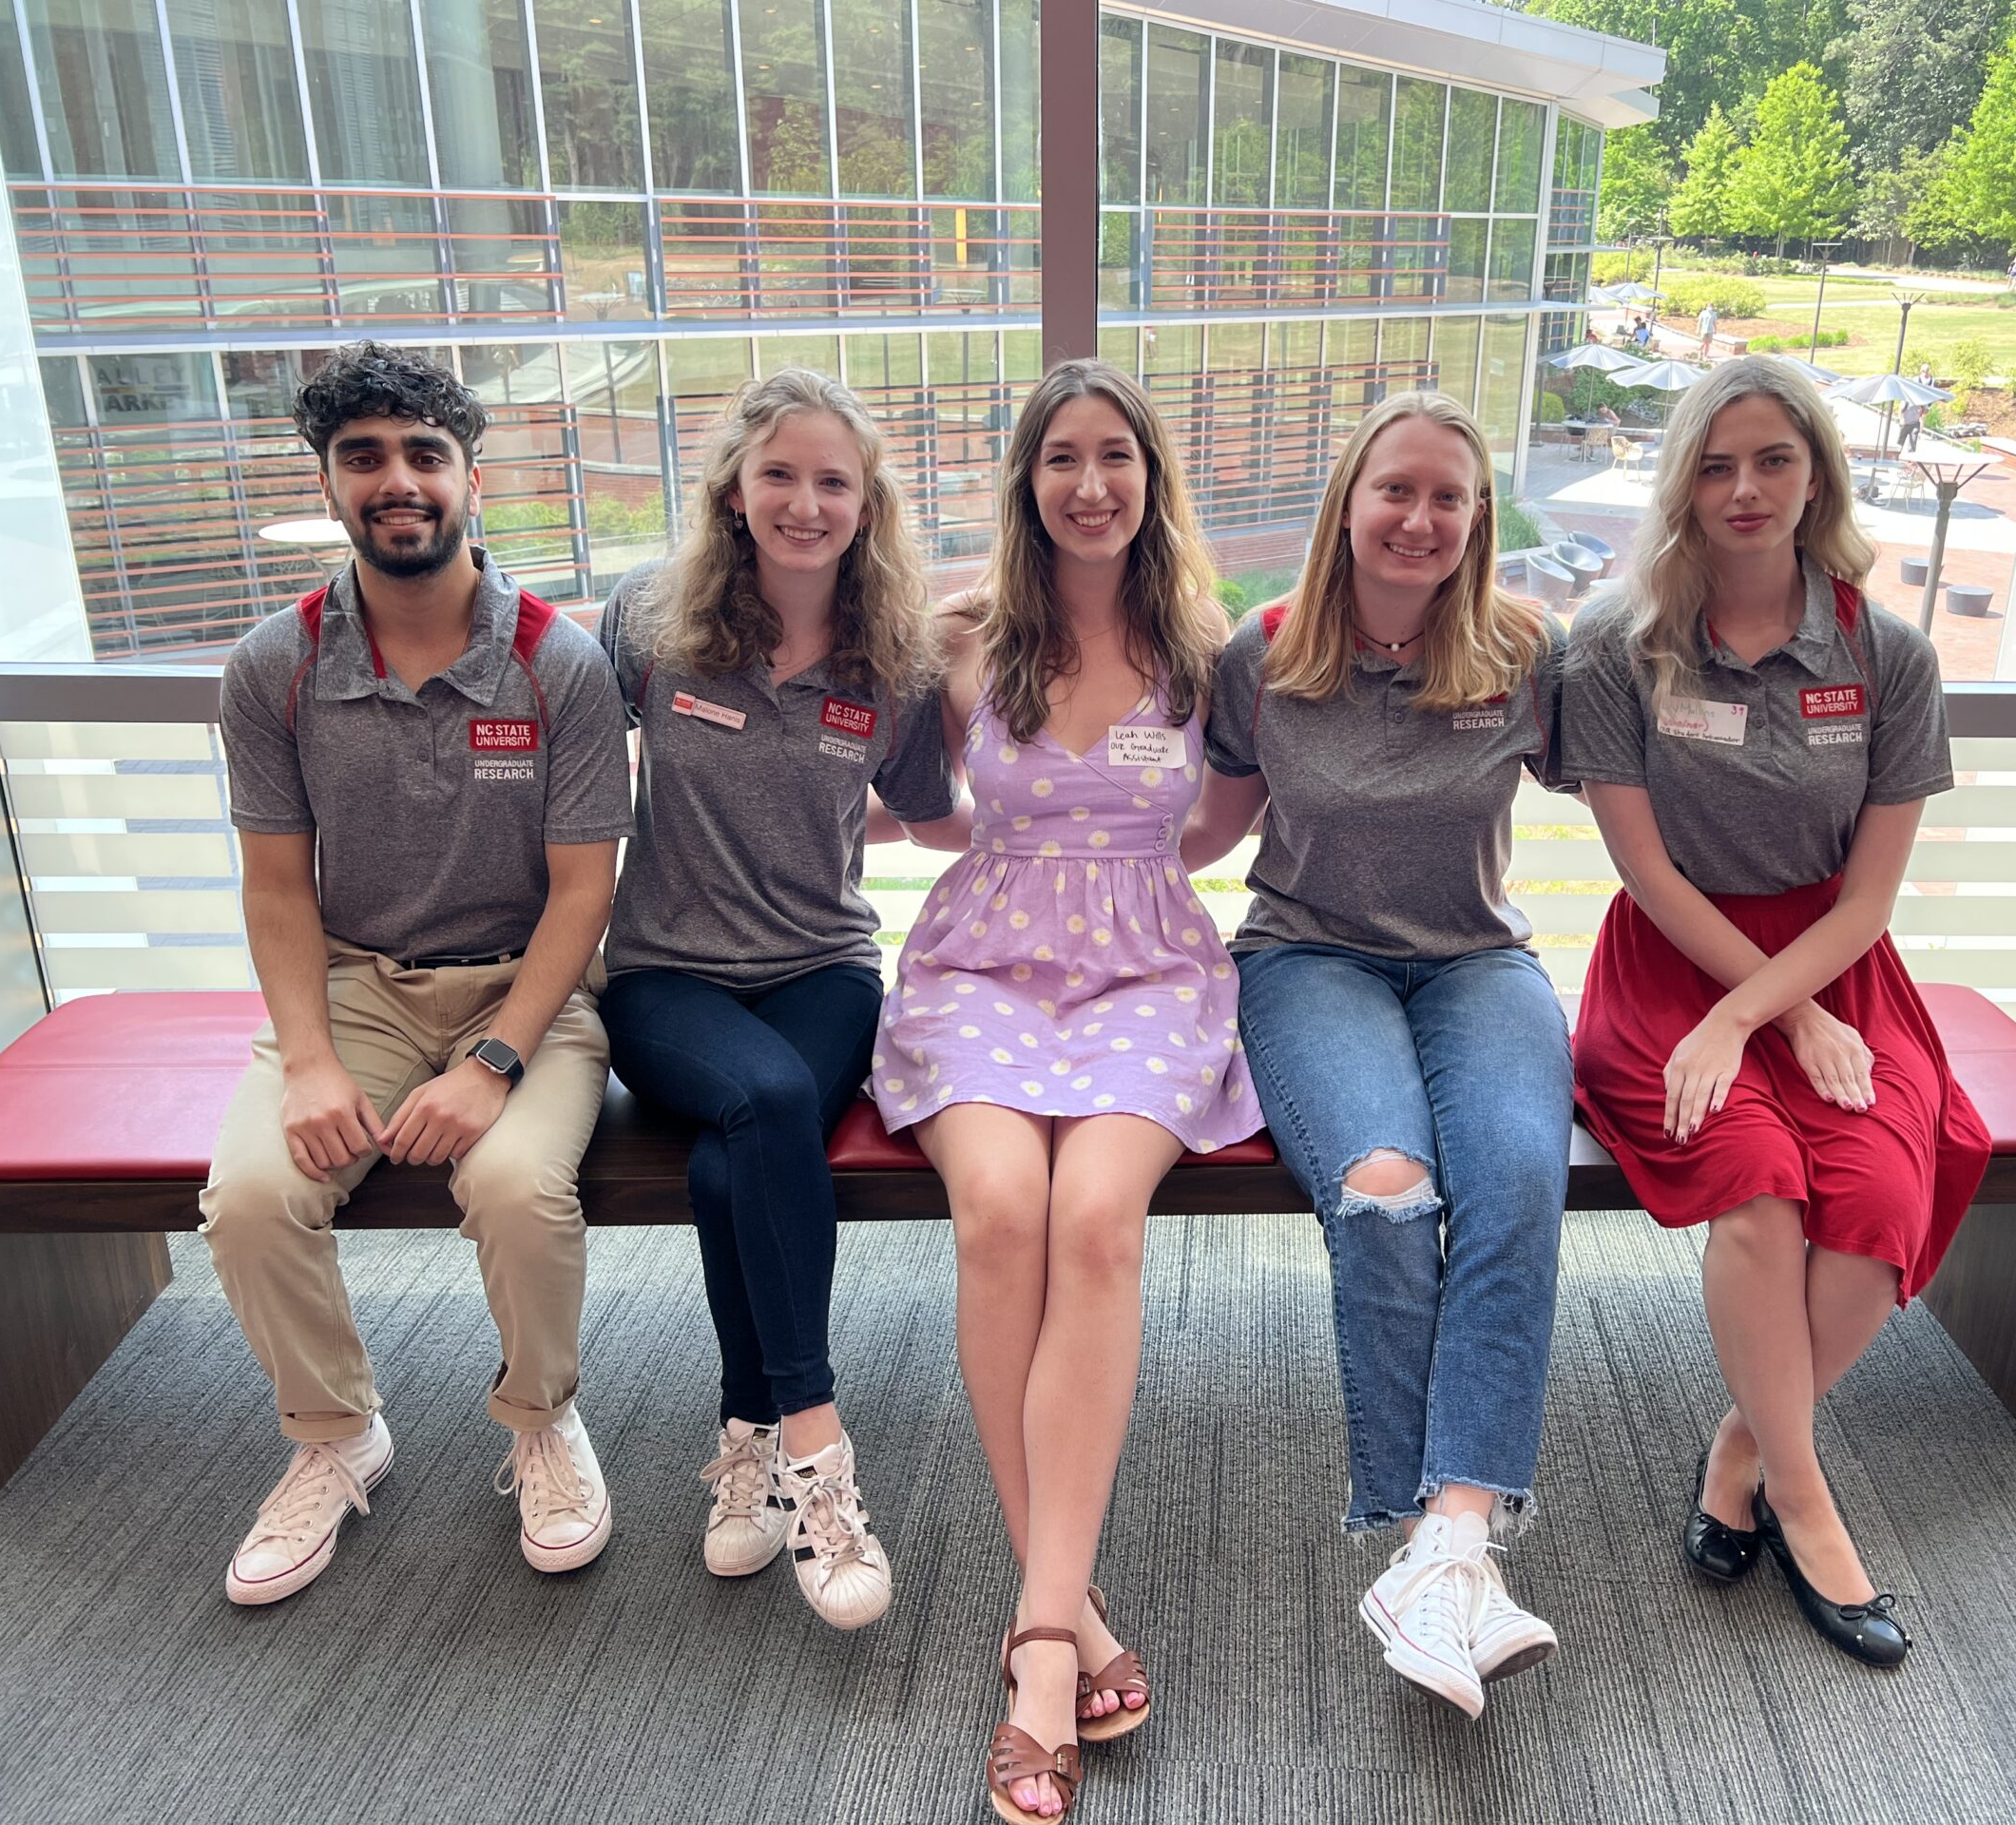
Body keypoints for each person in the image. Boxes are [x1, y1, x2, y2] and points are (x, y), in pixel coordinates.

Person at [872, 358, 1260, 1819]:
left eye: (1117, 457)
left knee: (1095, 1219)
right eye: (1061, 459)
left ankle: (1041, 1628)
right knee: (1000, 1216)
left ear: (1151, 481)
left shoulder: (1210, 654)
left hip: (1150, 977)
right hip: (979, 969)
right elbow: (918, 822)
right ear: (1027, 482)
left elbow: (1219, 827)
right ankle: (1064, 1625)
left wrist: (1117, 885)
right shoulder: (964, 640)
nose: (1090, 484)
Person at [1561, 357, 1990, 1670]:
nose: (1744, 490)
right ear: (1681, 480)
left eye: (1774, 462)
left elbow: (1868, 901)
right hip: (1671, 964)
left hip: (1834, 969)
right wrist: (1753, 1017)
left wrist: (1783, 1011)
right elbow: (1646, 870)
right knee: (1756, 1188)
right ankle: (1808, 1502)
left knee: (1872, 1200)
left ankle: (1746, 1444)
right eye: (1715, 462)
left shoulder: (1887, 652)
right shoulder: (1612, 644)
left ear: (1818, 476)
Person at [202, 341, 633, 1604]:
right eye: (365, 458)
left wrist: (497, 1060)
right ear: (330, 485)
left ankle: (542, 1420)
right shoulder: (273, 669)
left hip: (530, 996)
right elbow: (278, 886)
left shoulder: (559, 662)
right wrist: (314, 1062)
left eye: (424, 456)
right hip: (354, 989)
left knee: (511, 1184)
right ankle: (337, 1437)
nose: (399, 481)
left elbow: (583, 893)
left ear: (470, 481)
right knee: (250, 1197)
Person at [1186, 392, 1572, 1721]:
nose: (1419, 518)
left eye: (1448, 498)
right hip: (1309, 961)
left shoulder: (1527, 650)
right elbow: (1200, 830)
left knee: (1520, 1178)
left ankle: (1445, 1543)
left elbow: (1645, 784)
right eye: (1396, 490)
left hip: (1478, 962)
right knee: (1391, 1189)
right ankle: (1440, 1547)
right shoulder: (1268, 652)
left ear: (1475, 523)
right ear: (1348, 501)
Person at [594, 371, 959, 1622]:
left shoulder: (894, 662)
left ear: (868, 507)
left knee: (725, 1167)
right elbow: (577, 800)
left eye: (834, 482)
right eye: (781, 476)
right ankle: (820, 1451)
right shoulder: (644, 624)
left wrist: (1081, 824)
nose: (806, 503)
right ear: (736, 492)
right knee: (757, 1100)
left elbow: (924, 818)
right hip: (667, 976)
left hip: (823, 970)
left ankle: (742, 1433)